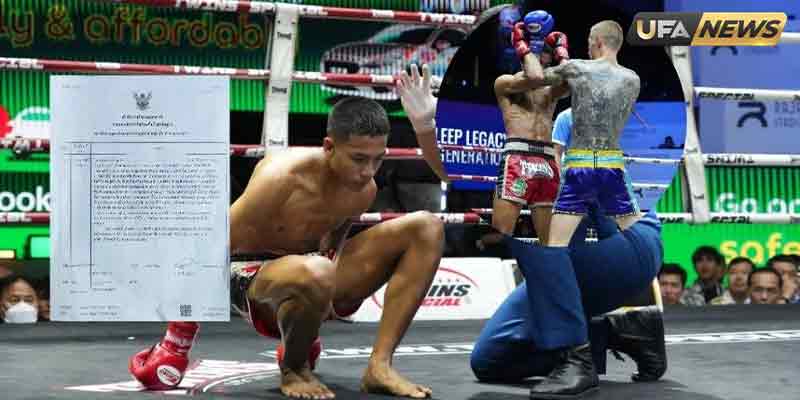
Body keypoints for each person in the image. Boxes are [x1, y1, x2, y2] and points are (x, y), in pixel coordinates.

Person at [129, 95, 446, 400]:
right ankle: (294, 370)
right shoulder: (280, 177)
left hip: (312, 273)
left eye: (378, 159)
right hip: (251, 278)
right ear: (329, 147)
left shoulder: (364, 189)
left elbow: (332, 247)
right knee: (317, 269)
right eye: (359, 159)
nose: (368, 171)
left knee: (426, 227)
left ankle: (380, 366)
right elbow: (209, 250)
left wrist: (313, 317)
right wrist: (177, 340)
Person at [497, 17, 646, 398]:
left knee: (552, 251)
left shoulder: (578, 69)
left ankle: (577, 355)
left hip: (579, 166)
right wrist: (557, 53)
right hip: (611, 164)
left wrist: (525, 45)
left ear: (596, 41)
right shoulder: (632, 78)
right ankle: (643, 324)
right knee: (639, 237)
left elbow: (539, 77)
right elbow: (549, 82)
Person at [470, 204, 667, 398]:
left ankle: (577, 357)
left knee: (489, 361)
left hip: (614, 243)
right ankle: (623, 332)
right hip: (638, 240)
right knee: (488, 361)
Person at [477, 10, 571, 250]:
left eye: (547, 52)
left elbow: (573, 81)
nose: (544, 56)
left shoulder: (551, 90)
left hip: (547, 160)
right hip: (518, 158)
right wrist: (525, 45)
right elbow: (535, 76)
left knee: (551, 243)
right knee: (501, 234)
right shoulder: (505, 83)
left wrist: (563, 54)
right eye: (540, 51)